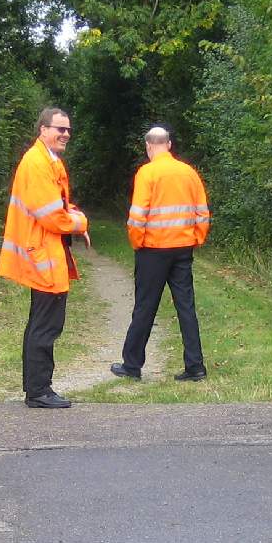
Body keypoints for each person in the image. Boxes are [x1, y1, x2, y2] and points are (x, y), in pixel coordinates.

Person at [0, 107, 91, 408]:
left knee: (44, 322)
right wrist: (80, 222)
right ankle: (38, 391)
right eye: (58, 129)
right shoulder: (37, 164)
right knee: (45, 324)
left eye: (67, 130)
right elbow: (52, 217)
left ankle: (38, 388)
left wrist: (72, 214)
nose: (64, 134)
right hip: (42, 256)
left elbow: (59, 205)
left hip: (46, 253)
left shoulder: (48, 162)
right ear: (42, 130)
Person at [110, 124, 210, 382]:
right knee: (186, 307)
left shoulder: (147, 173)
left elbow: (137, 215)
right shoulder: (188, 172)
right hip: (183, 248)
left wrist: (137, 242)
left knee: (145, 307)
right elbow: (202, 212)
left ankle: (132, 365)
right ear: (168, 144)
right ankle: (195, 366)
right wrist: (195, 238)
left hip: (152, 250)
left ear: (148, 146)